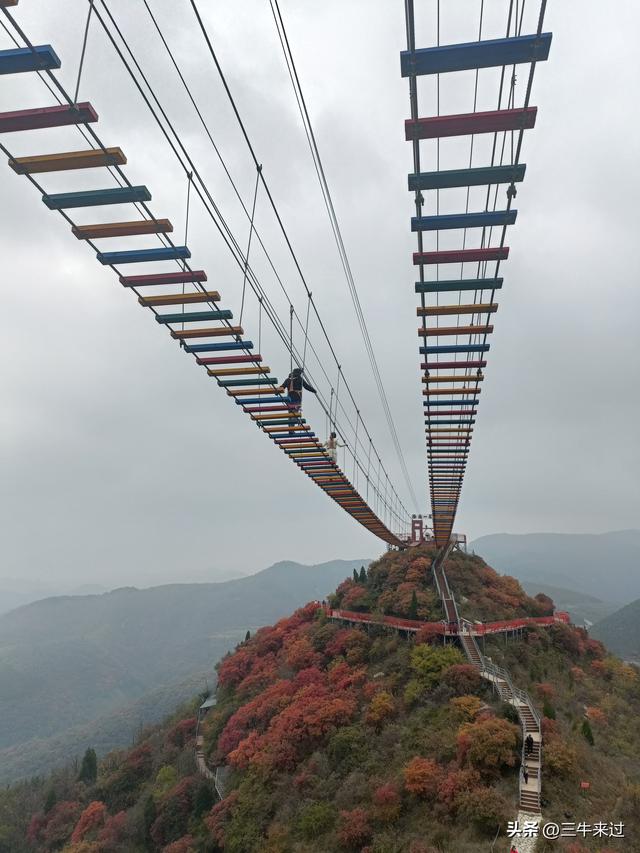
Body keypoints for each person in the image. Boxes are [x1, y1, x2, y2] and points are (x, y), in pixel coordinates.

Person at [279, 367, 317, 434]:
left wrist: (277, 391)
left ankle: (290, 429)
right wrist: (314, 390)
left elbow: (282, 386)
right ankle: (292, 429)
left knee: (290, 414)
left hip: (289, 399)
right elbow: (306, 386)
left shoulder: (288, 380)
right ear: (299, 373)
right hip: (297, 398)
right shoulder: (300, 379)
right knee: (295, 414)